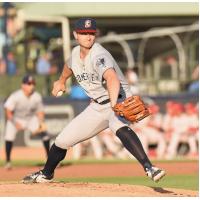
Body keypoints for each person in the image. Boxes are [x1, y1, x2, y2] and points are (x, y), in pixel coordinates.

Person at [22, 18, 165, 183]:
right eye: (84, 33)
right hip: (96, 107)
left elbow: (112, 79)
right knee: (62, 140)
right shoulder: (75, 54)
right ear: (76, 35)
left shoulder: (99, 55)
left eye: (91, 33)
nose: (88, 37)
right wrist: (61, 81)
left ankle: (149, 168)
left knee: (118, 126)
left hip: (117, 100)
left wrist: (114, 105)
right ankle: (47, 174)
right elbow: (69, 66)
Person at [4, 74, 51, 169]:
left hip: (30, 119)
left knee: (45, 135)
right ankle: (8, 161)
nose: (31, 86)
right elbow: (8, 110)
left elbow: (40, 111)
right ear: (23, 85)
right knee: (8, 137)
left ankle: (50, 159)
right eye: (29, 83)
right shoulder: (16, 96)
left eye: (33, 83)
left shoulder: (36, 96)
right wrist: (14, 122)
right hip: (16, 118)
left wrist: (41, 122)